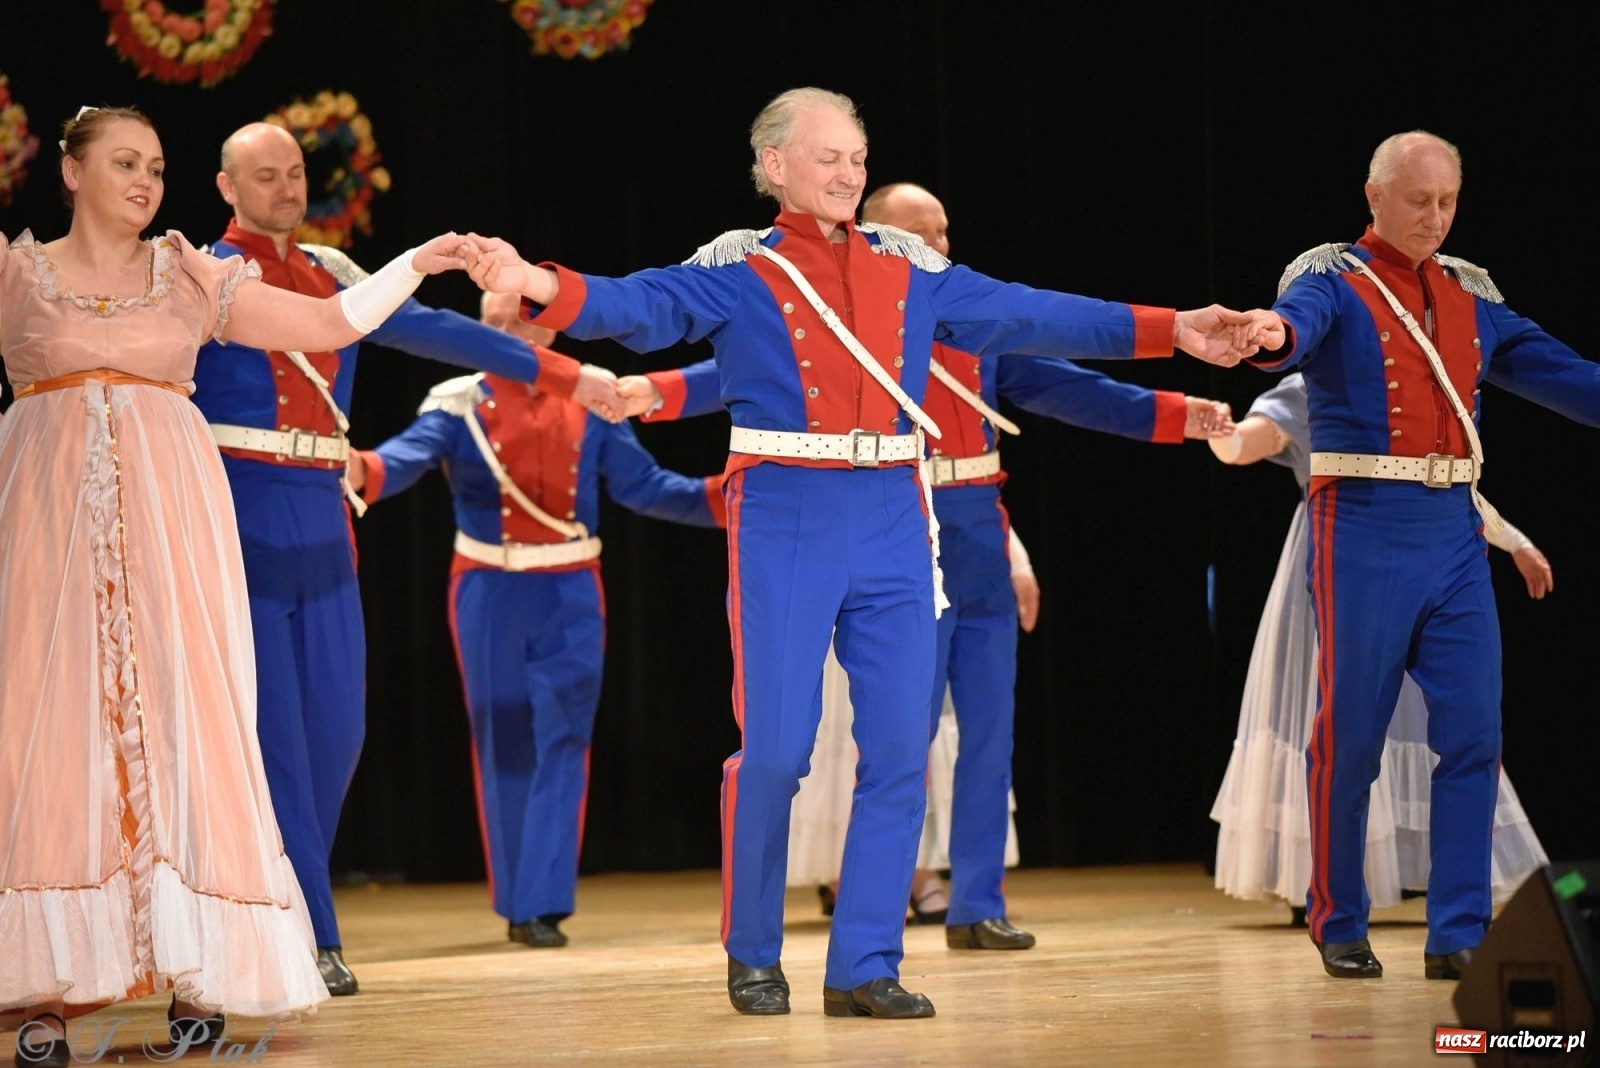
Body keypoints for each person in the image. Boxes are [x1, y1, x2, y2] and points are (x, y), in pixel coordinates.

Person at [463, 87, 1260, 1019]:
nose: (847, 173)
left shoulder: (911, 267)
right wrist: (542, 286)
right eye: (827, 157)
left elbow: (1032, 316)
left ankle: (865, 964)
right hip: (786, 513)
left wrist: (1174, 329)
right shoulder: (742, 267)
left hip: (894, 510)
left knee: (898, 749)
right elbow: (639, 306)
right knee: (776, 750)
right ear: (774, 167)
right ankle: (754, 948)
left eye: (856, 157)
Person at [620, 182, 1238, 950]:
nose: (942, 247)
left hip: (978, 529)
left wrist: (1181, 415)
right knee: (900, 737)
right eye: (925, 232)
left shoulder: (972, 323)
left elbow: (1069, 387)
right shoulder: (850, 319)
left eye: (945, 230)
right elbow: (734, 374)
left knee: (990, 729)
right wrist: (656, 389)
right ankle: (883, 902)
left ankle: (978, 904)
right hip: (904, 521)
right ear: (876, 238)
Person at [0, 105, 478, 1066]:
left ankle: (197, 970)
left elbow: (324, 320)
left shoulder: (185, 276)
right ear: (71, 173)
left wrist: (413, 266)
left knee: (188, 715)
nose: (145, 180)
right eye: (124, 163)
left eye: (158, 166)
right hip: (47, 523)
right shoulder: (18, 276)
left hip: (175, 522)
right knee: (49, 725)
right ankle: (44, 984)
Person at [189, 122, 625, 996]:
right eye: (264, 176)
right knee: (273, 730)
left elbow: (443, 336)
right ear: (226, 187)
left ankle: (281, 903)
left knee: (336, 731)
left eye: (295, 172)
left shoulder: (335, 272)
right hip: (235, 504)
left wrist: (568, 379)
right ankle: (309, 928)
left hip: (322, 510)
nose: (285, 187)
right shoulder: (198, 272)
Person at [1241, 130, 1600, 980]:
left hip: (1452, 530)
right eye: (1417, 201)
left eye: (1447, 203)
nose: (1434, 218)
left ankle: (1459, 934)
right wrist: (1265, 334)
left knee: (1475, 733)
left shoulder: (1471, 296)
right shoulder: (1334, 281)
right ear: (1374, 197)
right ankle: (1338, 921)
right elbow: (1293, 332)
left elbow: (1570, 377)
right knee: (1353, 734)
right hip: (1362, 524)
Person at [343, 292, 726, 949]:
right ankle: (517, 901)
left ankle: (542, 903)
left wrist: (729, 497)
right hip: (488, 588)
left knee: (565, 740)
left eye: (516, 319)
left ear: (549, 323)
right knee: (504, 738)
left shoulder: (591, 396)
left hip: (572, 587)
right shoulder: (456, 399)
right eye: (491, 323)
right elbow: (404, 458)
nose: (503, 332)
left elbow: (645, 486)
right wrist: (362, 469)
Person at [1208, 373, 1549, 925]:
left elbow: (1454, 485)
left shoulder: (1422, 380)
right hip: (1340, 552)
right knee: (1333, 720)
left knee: (1421, 721)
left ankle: (1426, 884)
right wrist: (1220, 433)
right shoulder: (1313, 386)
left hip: (1425, 554)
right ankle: (1315, 887)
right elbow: (1253, 441)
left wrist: (1516, 542)